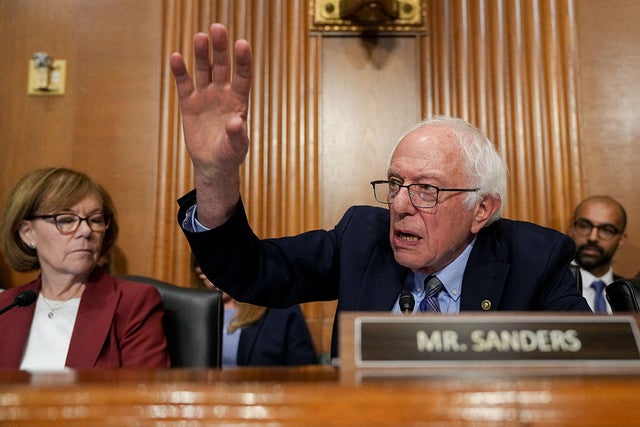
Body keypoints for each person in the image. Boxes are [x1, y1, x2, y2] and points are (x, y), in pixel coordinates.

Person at [169, 24, 591, 357]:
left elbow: (592, 365)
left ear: (481, 209)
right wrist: (214, 175)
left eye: (426, 190)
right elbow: (251, 272)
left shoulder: (535, 259)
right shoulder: (362, 237)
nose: (401, 205)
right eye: (394, 184)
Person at [0, 167, 170, 369]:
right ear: (27, 232)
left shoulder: (133, 304)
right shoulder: (5, 307)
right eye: (65, 220)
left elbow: (144, 395)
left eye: (95, 219)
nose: (86, 231)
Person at [193, 262, 317, 366]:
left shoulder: (280, 310)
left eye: (219, 271)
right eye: (203, 274)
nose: (213, 282)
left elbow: (303, 366)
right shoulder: (193, 312)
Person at [568, 195, 627, 313]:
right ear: (571, 230)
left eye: (606, 229)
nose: (592, 237)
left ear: (621, 240)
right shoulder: (550, 287)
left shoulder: (628, 292)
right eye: (584, 226)